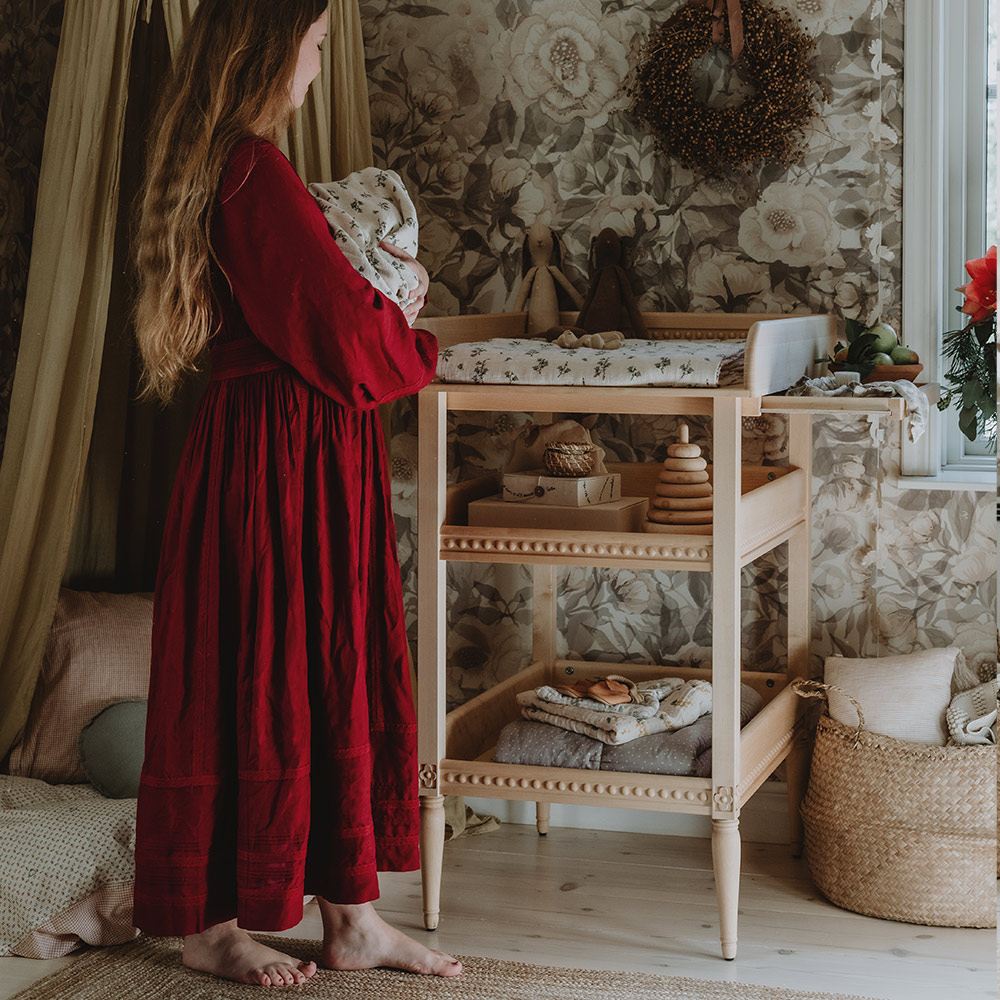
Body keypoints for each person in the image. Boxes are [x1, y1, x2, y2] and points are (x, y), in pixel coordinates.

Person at [130, 0, 462, 986]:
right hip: (278, 462)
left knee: (323, 670)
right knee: (272, 665)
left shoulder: (241, 166)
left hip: (303, 452)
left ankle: (351, 917)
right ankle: (209, 926)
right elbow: (343, 332)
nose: (316, 70)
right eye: (314, 47)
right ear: (270, 50)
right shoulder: (250, 170)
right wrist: (420, 343)